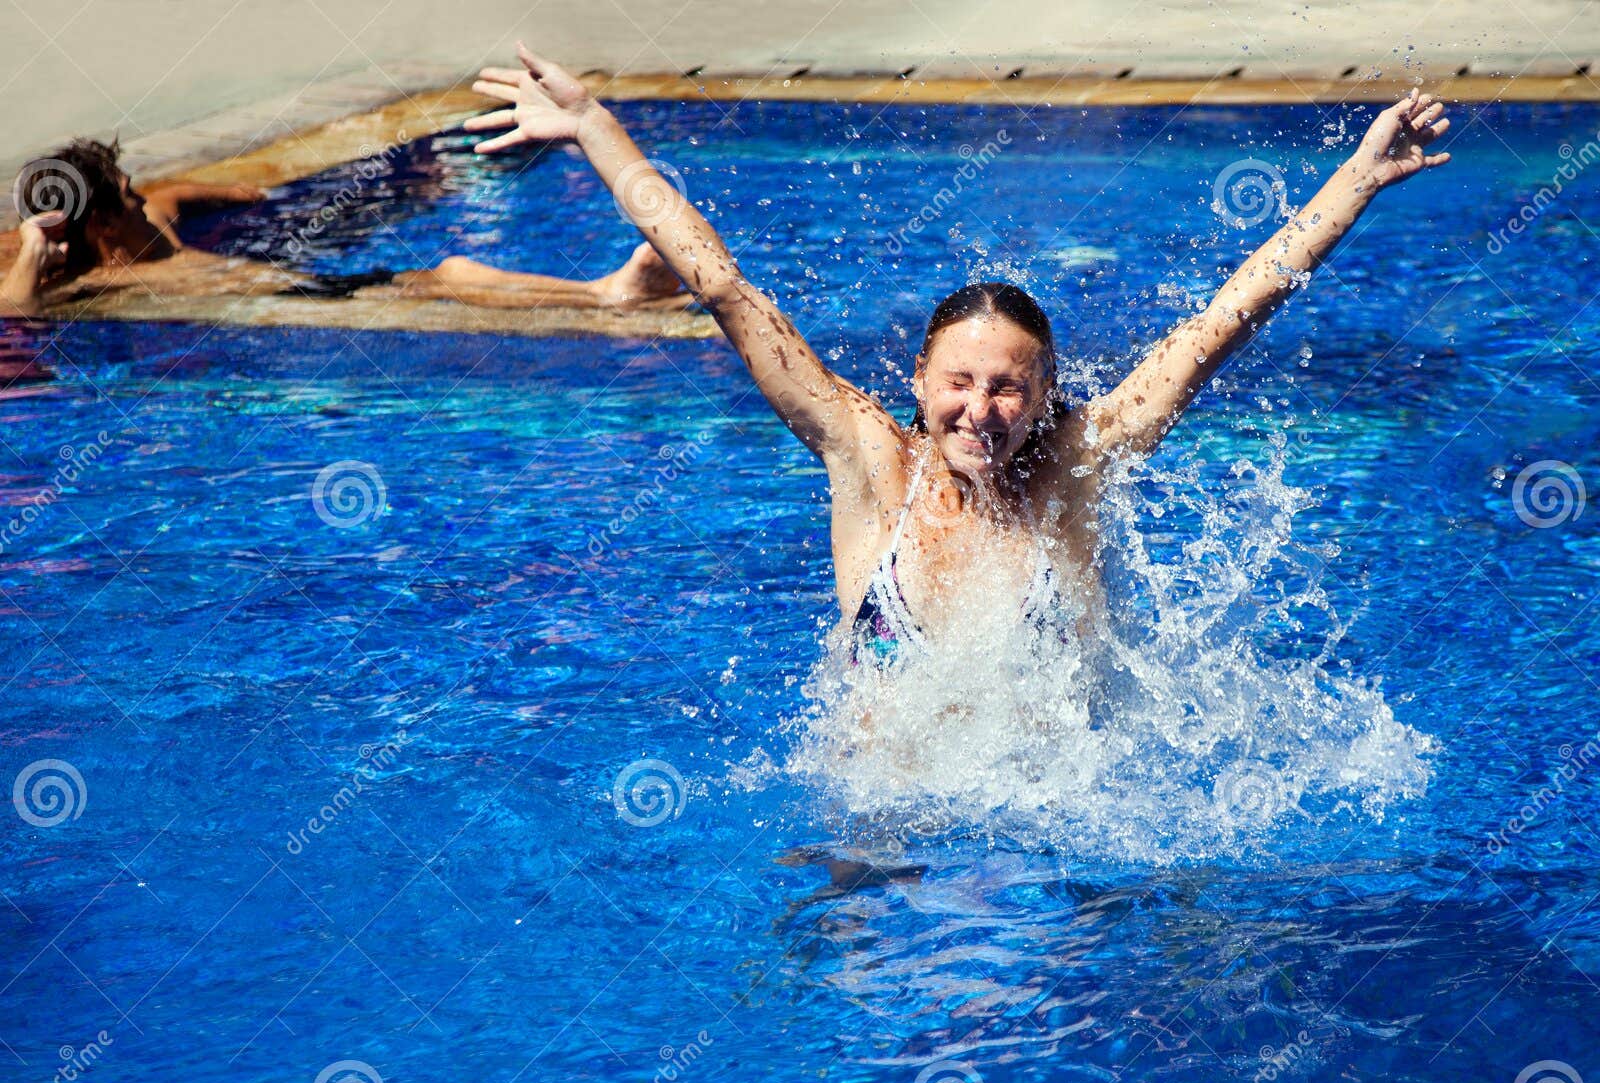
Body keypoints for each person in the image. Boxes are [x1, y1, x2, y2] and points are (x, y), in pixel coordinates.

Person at [467, 45, 1451, 667]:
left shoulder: (1076, 461)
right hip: (875, 834)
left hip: (1044, 846)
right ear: (920, 386)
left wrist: (1355, 182)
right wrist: (595, 128)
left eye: (1008, 388)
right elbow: (724, 289)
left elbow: (1221, 325)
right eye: (961, 384)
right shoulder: (866, 458)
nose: (981, 410)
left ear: (1043, 396)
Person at [0, 137, 688, 319]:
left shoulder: (152, 228)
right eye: (127, 196)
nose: (145, 199)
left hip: (300, 284)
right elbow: (18, 310)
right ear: (99, 227)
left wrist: (239, 191)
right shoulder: (97, 286)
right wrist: (34, 245)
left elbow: (178, 193)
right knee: (449, 279)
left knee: (447, 274)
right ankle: (608, 295)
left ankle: (609, 292)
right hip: (290, 299)